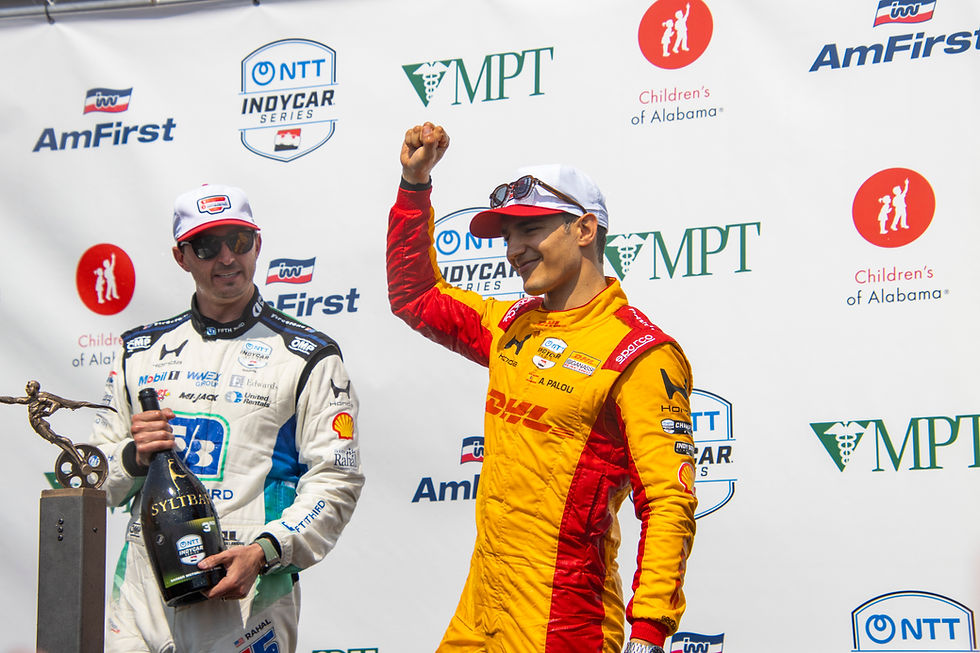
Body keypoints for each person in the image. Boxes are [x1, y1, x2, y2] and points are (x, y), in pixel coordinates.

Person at [387, 123, 697, 653]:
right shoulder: (512, 325)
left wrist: (649, 630)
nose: (514, 249)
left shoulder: (640, 353)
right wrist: (414, 187)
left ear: (584, 229)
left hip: (564, 622)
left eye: (530, 230)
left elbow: (669, 500)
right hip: (481, 607)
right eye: (508, 235)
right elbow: (415, 296)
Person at [90, 183, 364, 653]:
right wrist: (133, 457)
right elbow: (92, 484)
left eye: (238, 240)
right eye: (206, 246)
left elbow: (336, 480)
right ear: (181, 257)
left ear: (257, 244)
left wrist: (266, 550)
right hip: (143, 595)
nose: (227, 258)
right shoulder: (138, 352)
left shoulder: (309, 356)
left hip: (248, 593)